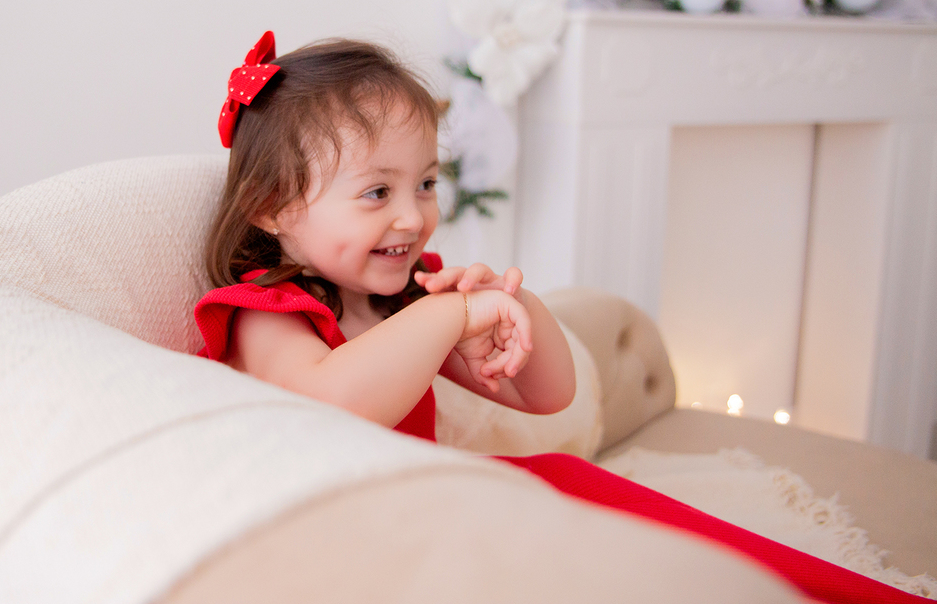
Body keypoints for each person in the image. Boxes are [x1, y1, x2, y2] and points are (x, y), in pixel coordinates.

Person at [194, 31, 923, 604]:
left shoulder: (406, 299)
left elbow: (544, 397)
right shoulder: (267, 315)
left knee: (664, 534)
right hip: (353, 541)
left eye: (424, 182)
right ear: (274, 206)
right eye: (376, 192)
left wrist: (510, 312)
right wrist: (452, 320)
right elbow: (330, 402)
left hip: (443, 501)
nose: (414, 215)